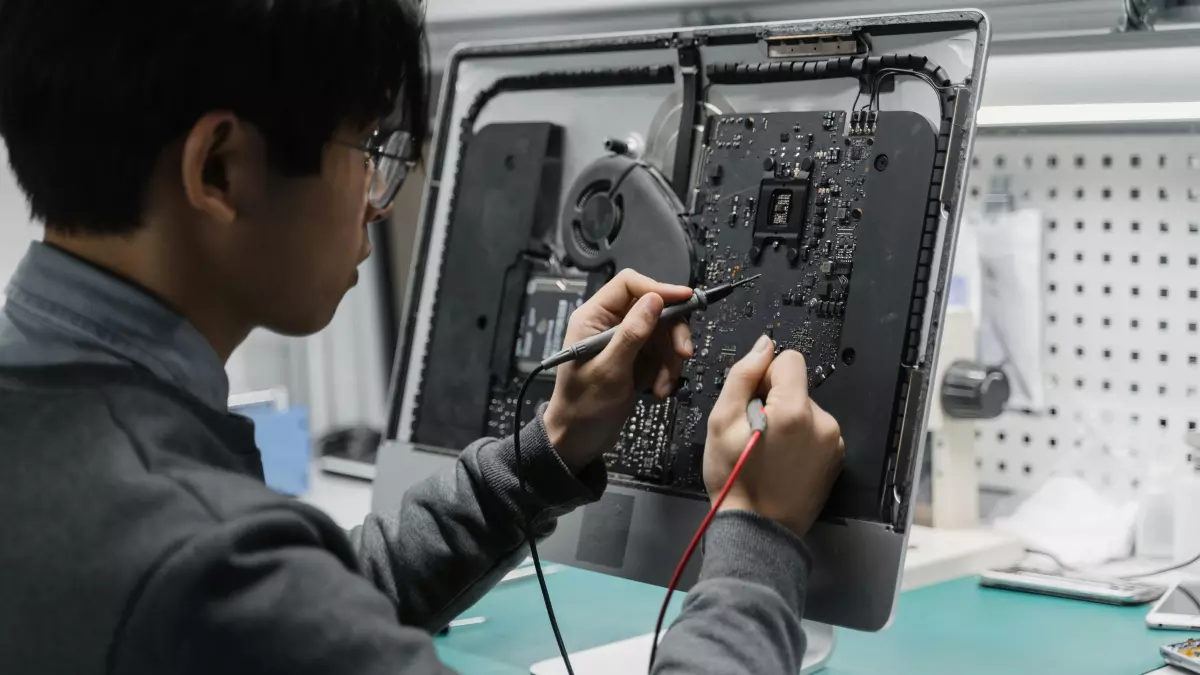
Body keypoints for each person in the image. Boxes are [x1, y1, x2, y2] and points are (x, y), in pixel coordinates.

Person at [0, 1, 845, 673]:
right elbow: (263, 606)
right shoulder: (192, 566)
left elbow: (321, 602)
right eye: (368, 148)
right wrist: (757, 539)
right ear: (220, 168)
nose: (379, 198)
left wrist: (547, 450)